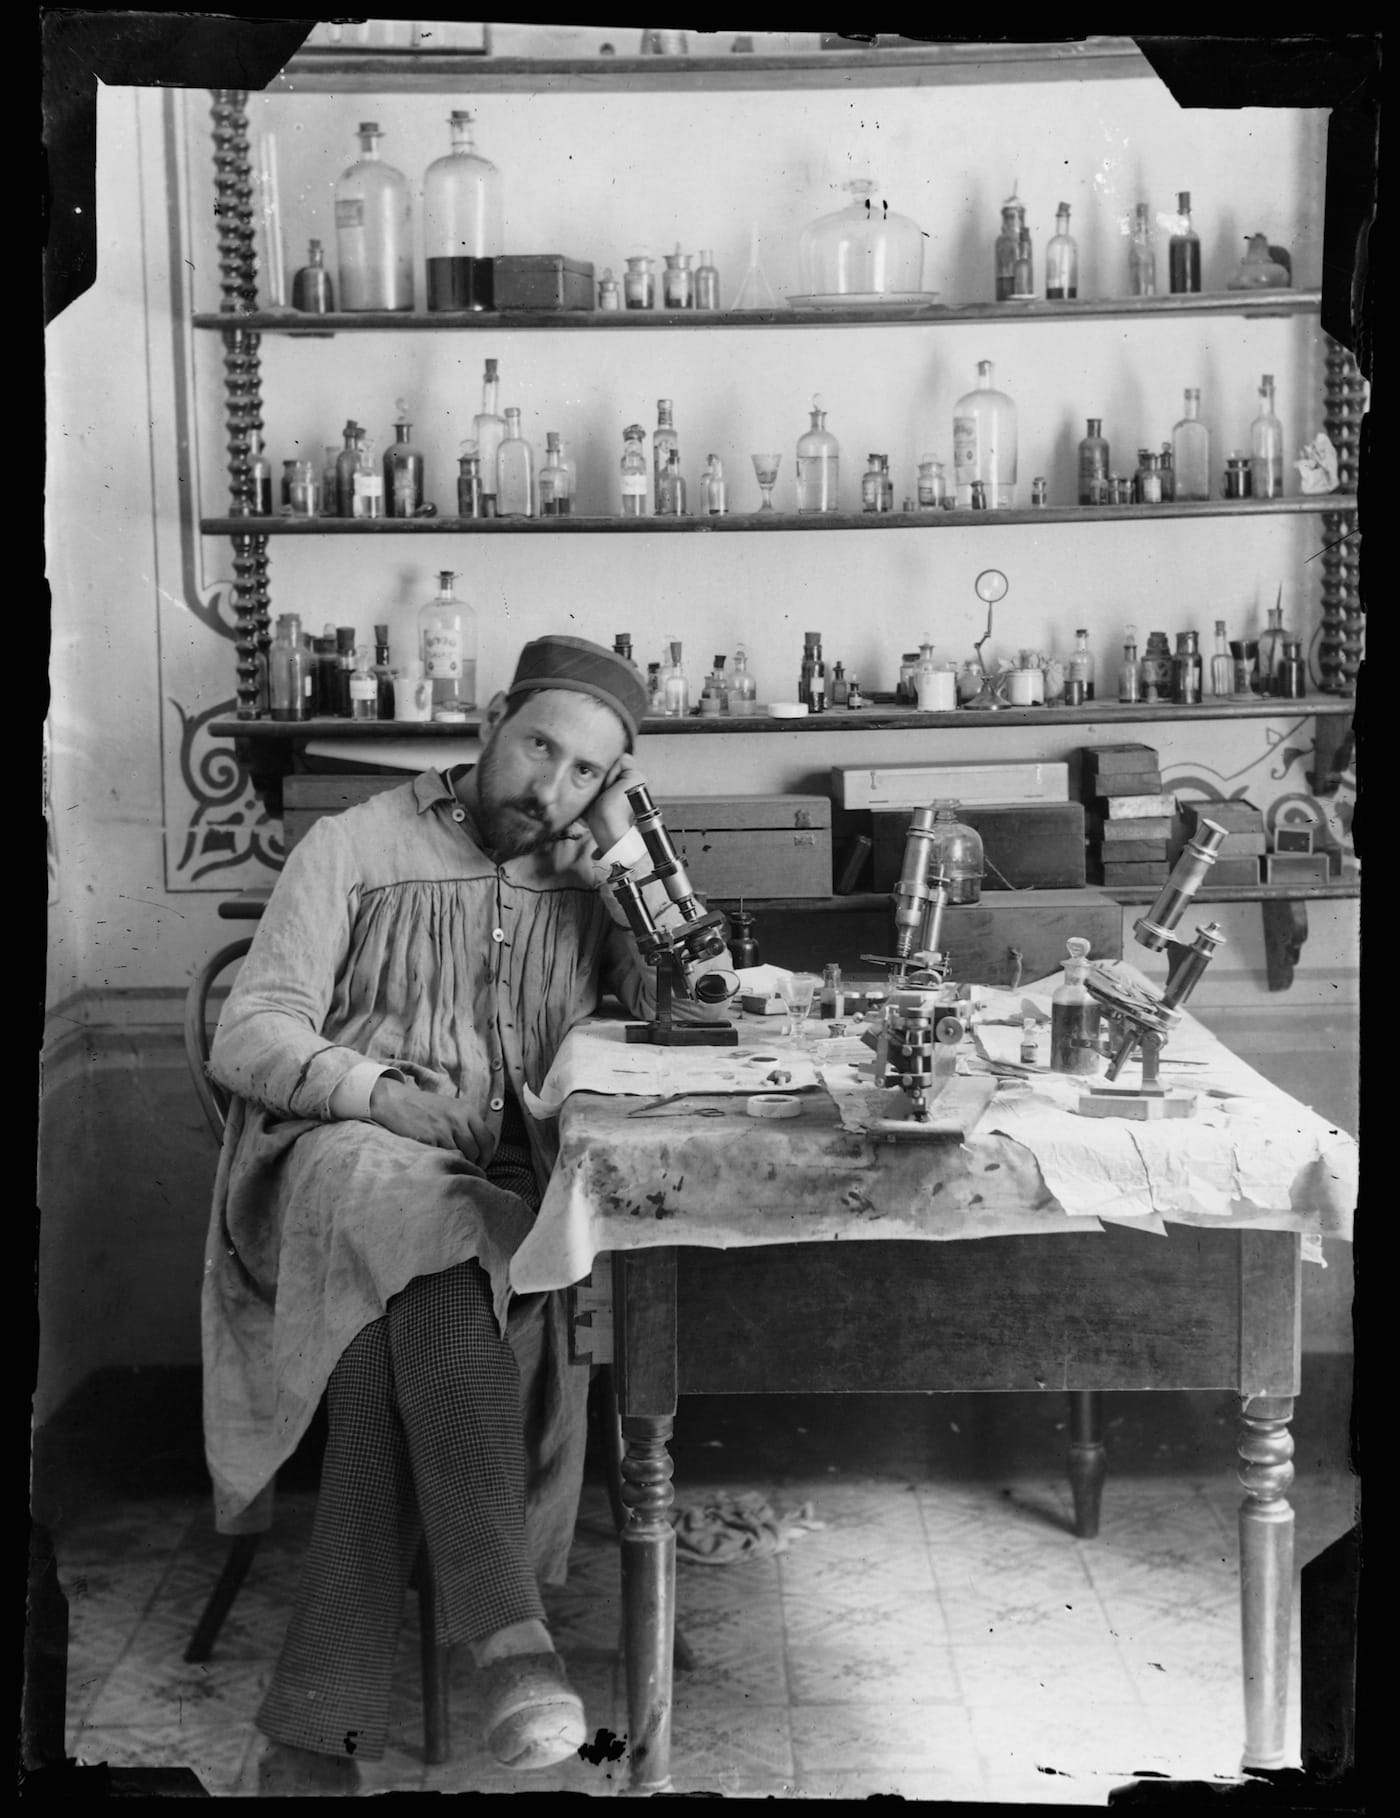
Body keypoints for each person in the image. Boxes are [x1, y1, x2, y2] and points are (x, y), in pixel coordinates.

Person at [201, 634, 731, 1795]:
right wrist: (376, 1090)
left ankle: (314, 1729)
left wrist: (632, 874)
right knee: (424, 1227)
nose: (550, 788)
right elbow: (250, 1032)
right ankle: (509, 1635)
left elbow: (685, 1012)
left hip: (491, 1191)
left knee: (399, 1335)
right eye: (539, 745)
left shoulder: (584, 877)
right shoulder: (353, 845)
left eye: (586, 773)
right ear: (492, 718)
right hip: (334, 1162)